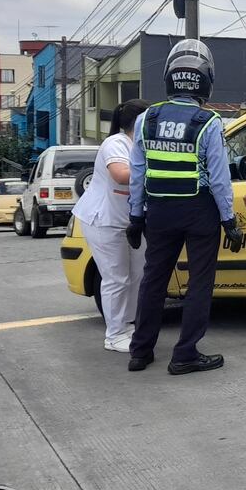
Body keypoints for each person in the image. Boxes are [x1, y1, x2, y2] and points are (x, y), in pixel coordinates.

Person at [127, 39, 243, 376]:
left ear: (169, 76)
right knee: (200, 282)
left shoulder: (147, 118)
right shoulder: (208, 122)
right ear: (206, 79)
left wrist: (136, 217)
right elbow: (220, 179)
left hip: (158, 211)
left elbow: (138, 173)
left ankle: (140, 351)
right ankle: (185, 354)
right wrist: (229, 220)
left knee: (154, 280)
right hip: (198, 211)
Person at [72, 99, 150, 352]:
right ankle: (114, 334)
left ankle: (128, 325)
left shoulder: (143, 146)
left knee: (137, 274)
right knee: (117, 277)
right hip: (103, 220)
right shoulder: (116, 143)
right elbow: (120, 174)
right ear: (138, 122)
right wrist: (157, 168)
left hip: (130, 222)